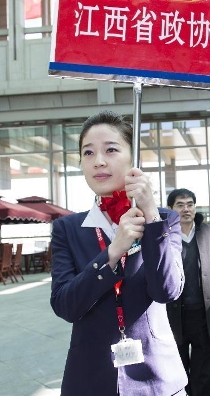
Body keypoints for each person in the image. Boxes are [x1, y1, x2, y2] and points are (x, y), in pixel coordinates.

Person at [50, 111, 187, 396]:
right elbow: (65, 305)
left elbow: (167, 291)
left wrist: (150, 215)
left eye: (111, 149)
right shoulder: (68, 228)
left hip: (156, 377)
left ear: (133, 158)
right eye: (88, 152)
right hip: (90, 377)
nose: (99, 160)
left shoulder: (164, 220)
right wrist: (112, 253)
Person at [166, 188, 210, 396]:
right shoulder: (164, 235)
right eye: (180, 205)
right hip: (173, 315)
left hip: (205, 314)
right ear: (171, 209)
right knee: (177, 367)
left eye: (190, 204)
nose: (186, 209)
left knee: (204, 369)